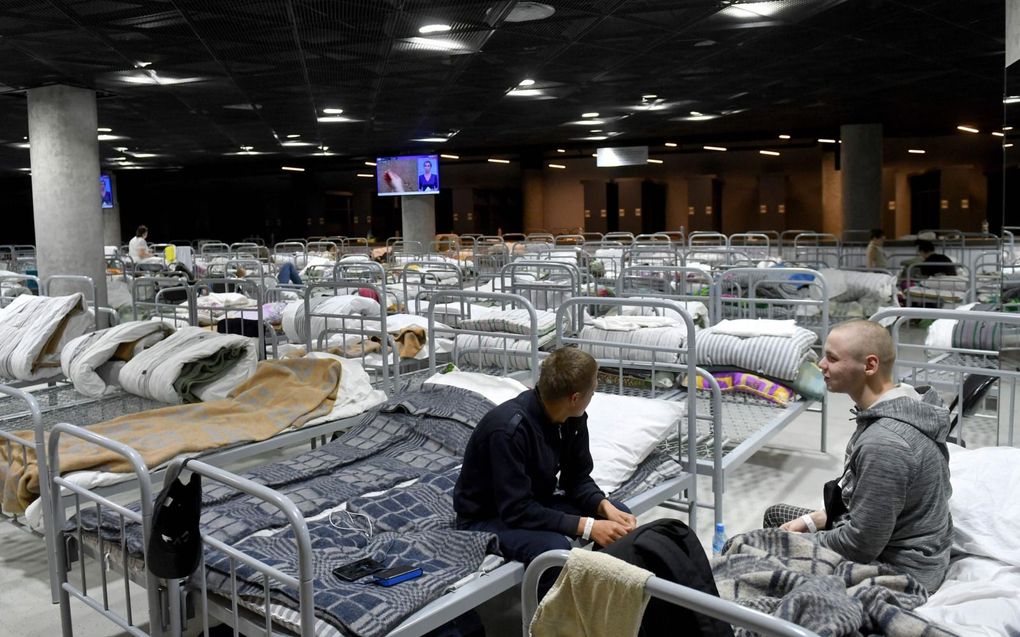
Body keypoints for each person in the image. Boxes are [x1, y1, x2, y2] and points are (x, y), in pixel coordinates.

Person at [761, 320, 953, 592]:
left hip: (900, 570)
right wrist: (812, 521)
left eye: (832, 358)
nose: (821, 366)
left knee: (754, 546)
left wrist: (786, 547)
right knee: (776, 516)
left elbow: (860, 545)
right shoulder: (908, 405)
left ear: (870, 366)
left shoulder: (885, 443)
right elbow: (871, 508)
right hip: (902, 546)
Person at [454, 348, 637, 566]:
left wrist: (603, 505)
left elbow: (576, 479)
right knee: (554, 550)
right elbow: (516, 509)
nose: (594, 394)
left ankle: (606, 589)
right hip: (488, 517)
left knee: (618, 516)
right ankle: (559, 599)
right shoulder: (508, 430)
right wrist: (588, 527)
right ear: (575, 398)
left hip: (534, 502)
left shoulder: (572, 419)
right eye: (593, 391)